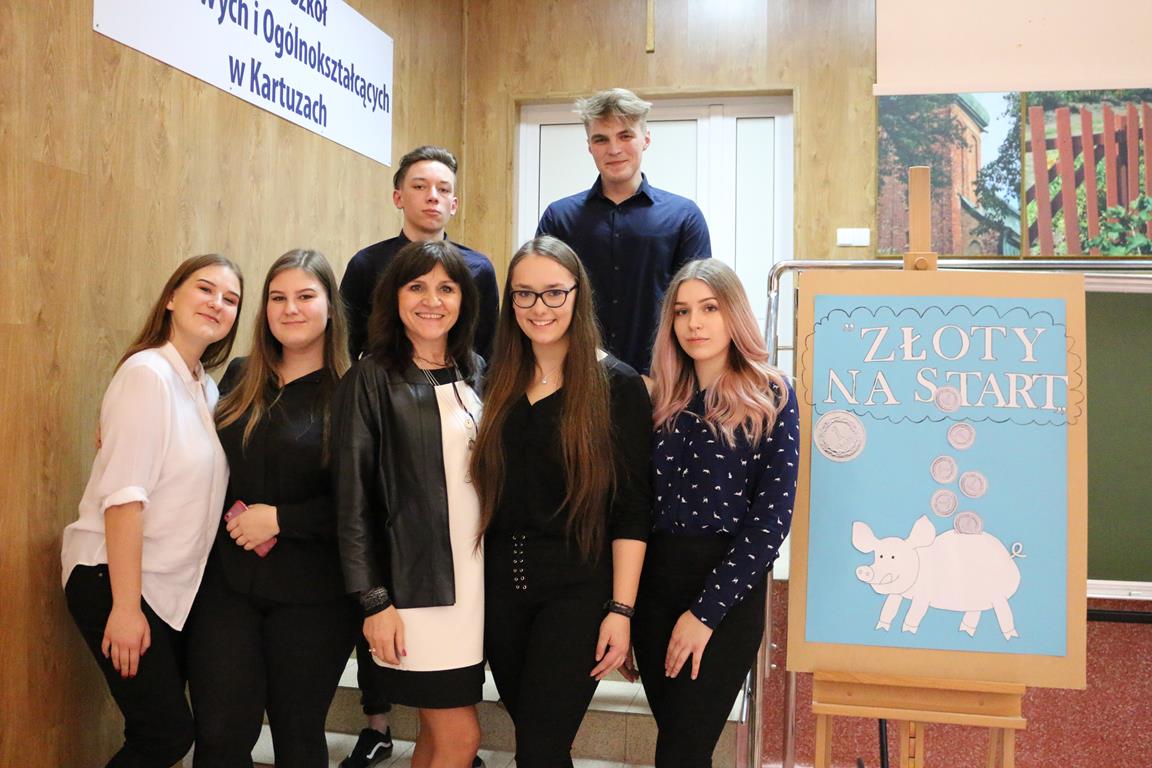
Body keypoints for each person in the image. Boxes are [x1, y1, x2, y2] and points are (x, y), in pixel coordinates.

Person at [470, 235, 652, 767]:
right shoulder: (493, 380)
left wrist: (621, 610)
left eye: (554, 292)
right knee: (537, 740)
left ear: (578, 294)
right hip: (500, 591)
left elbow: (633, 508)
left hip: (577, 591)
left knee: (541, 745)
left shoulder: (616, 385)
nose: (539, 307)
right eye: (524, 294)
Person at [61, 254, 243, 767]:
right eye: (204, 289)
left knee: (161, 732)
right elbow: (124, 499)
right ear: (171, 298)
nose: (217, 303)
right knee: (163, 736)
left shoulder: (205, 387)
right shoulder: (148, 374)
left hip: (167, 589)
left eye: (230, 299)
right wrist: (125, 608)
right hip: (114, 578)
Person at [185, 249, 358, 767]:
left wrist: (281, 519)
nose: (290, 309)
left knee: (297, 734)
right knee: (218, 733)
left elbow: (366, 502)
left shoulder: (353, 392)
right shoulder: (240, 376)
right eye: (277, 298)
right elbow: (199, 456)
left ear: (331, 307)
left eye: (305, 296)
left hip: (315, 595)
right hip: (228, 584)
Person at [633, 259, 798, 767]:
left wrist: (704, 613)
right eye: (681, 311)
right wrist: (624, 608)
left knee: (680, 751)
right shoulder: (656, 398)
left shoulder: (772, 394)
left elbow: (771, 522)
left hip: (726, 592)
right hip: (654, 588)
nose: (694, 323)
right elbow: (633, 506)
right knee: (683, 747)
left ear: (734, 314)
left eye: (709, 308)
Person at [334, 240, 486, 768]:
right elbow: (351, 501)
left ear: (464, 299)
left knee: (436, 736)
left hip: (472, 585)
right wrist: (374, 601)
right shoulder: (370, 377)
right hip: (414, 588)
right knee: (461, 738)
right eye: (417, 286)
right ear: (393, 297)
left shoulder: (476, 369)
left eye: (446, 288)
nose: (432, 300)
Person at [536, 88, 711, 373]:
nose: (614, 149)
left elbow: (698, 306)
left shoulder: (684, 217)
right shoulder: (559, 218)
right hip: (576, 377)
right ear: (589, 146)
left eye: (625, 135)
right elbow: (542, 300)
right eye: (601, 139)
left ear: (646, 139)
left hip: (660, 380)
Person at [341, 145, 499, 363]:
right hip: (380, 380)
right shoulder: (366, 263)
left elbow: (488, 350)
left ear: (453, 205)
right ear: (398, 198)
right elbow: (344, 345)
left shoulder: (478, 268)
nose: (432, 197)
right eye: (419, 187)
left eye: (443, 189)